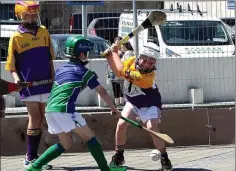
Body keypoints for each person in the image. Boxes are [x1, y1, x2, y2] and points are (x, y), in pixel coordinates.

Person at [25, 35, 126, 171]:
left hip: (50, 110)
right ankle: (105, 169)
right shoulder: (85, 73)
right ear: (82, 54)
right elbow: (101, 91)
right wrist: (114, 107)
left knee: (66, 143)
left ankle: (34, 166)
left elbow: (69, 86)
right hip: (65, 110)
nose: (88, 56)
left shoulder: (61, 69)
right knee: (90, 137)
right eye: (87, 54)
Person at [106, 42, 173, 171]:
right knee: (121, 125)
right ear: (139, 56)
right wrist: (109, 57)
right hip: (133, 102)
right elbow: (117, 72)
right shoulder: (131, 60)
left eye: (151, 62)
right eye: (145, 59)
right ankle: (118, 155)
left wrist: (114, 53)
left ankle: (164, 157)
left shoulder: (145, 77)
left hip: (150, 104)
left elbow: (120, 71)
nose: (147, 63)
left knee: (151, 127)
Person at [5, 1, 55, 169]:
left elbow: (50, 60)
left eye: (35, 14)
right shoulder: (16, 37)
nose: (33, 17)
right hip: (28, 84)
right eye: (29, 14)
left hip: (46, 82)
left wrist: (53, 79)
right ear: (20, 15)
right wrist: (16, 78)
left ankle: (34, 156)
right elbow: (11, 65)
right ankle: (29, 158)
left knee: (41, 119)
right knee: (34, 118)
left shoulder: (44, 32)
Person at [107, 36, 125, 107]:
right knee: (115, 87)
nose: (118, 44)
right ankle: (117, 103)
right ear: (114, 43)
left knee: (121, 86)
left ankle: (122, 102)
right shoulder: (110, 51)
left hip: (121, 72)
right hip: (112, 71)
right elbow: (108, 62)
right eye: (117, 43)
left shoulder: (123, 52)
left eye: (120, 43)